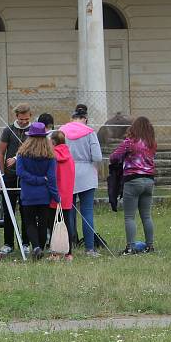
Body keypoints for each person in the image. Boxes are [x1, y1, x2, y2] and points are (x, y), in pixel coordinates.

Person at [60, 104, 103, 257]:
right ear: (85, 119)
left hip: (67, 172)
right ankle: (89, 248)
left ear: (72, 118)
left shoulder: (62, 131)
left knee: (68, 210)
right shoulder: (90, 132)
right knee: (87, 212)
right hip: (86, 173)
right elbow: (97, 156)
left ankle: (70, 246)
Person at [110, 116, 157, 255]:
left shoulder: (130, 142)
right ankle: (150, 246)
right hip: (149, 180)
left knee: (129, 217)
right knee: (147, 216)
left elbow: (114, 157)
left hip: (133, 180)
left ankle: (130, 247)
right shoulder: (152, 143)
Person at [16, 122, 59, 260]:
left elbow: (20, 172)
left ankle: (36, 247)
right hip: (44, 194)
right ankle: (40, 246)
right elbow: (51, 177)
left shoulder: (22, 153)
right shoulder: (50, 155)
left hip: (28, 193)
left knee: (29, 222)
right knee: (43, 222)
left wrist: (34, 180)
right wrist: (55, 195)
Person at [0, 103, 32, 255]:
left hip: (27, 176)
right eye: (21, 118)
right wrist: (1, 172)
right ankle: (8, 243)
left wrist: (17, 159)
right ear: (16, 116)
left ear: (30, 116)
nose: (24, 121)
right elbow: (1, 152)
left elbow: (33, 149)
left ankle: (25, 242)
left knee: (26, 210)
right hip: (9, 176)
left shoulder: (33, 130)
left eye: (26, 118)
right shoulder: (8, 130)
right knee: (8, 210)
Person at [50, 131, 76, 259]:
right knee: (67, 224)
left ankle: (55, 252)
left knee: (54, 225)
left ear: (53, 142)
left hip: (55, 195)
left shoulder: (53, 156)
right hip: (67, 194)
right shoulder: (69, 156)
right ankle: (68, 252)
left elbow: (52, 176)